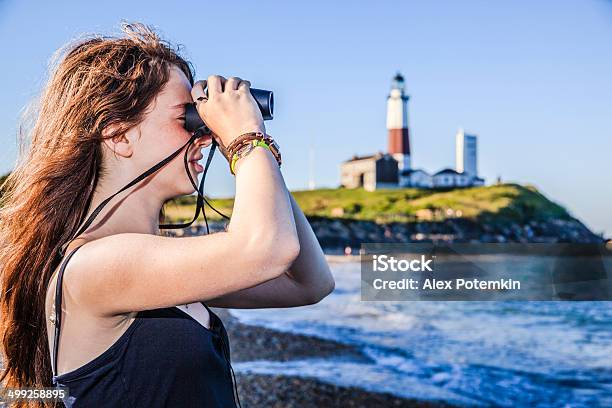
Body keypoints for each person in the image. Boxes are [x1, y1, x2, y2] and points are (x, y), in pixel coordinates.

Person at [0, 22, 335, 407]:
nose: (205, 134)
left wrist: (253, 155)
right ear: (120, 135)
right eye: (187, 120)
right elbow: (267, 250)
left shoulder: (153, 265)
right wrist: (246, 139)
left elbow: (310, 283)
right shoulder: (94, 265)